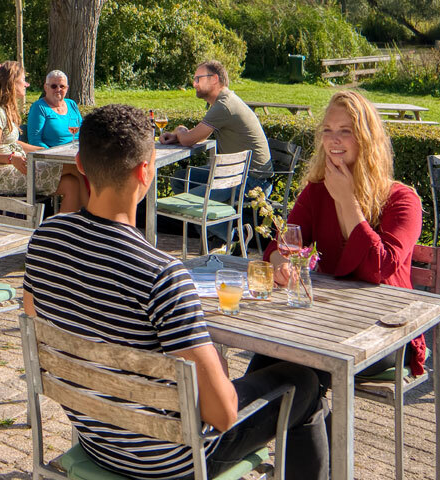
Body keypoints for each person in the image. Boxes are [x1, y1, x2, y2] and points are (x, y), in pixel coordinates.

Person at [23, 104, 328, 480]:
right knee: (307, 383)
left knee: (270, 373)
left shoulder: (44, 241)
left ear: (81, 165)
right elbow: (223, 415)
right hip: (171, 461)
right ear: (145, 171)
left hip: (95, 436)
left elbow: (42, 329)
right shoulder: (162, 276)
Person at [250, 90, 427, 381]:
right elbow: (281, 244)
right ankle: (245, 421)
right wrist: (281, 264)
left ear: (366, 139)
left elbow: (378, 269)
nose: (334, 140)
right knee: (273, 355)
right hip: (326, 323)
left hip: (385, 334)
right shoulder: (317, 191)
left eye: (345, 131)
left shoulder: (402, 200)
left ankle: (232, 422)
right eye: (328, 131)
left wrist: (347, 200)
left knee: (296, 369)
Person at [161, 60, 272, 241]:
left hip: (252, 182)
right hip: (240, 174)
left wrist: (179, 130)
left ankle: (235, 237)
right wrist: (180, 136)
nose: (194, 83)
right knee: (181, 178)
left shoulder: (224, 105)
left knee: (185, 201)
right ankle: (214, 236)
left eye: (198, 78)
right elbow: (199, 136)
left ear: (214, 79)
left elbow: (189, 139)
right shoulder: (223, 102)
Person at [0, 62, 85, 213]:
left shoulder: (7, 111)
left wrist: (44, 150)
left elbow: (12, 143)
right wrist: (12, 159)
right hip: (8, 176)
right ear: (12, 83)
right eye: (23, 80)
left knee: (72, 184)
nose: (26, 84)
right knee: (74, 167)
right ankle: (93, 217)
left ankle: (61, 230)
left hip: (21, 167)